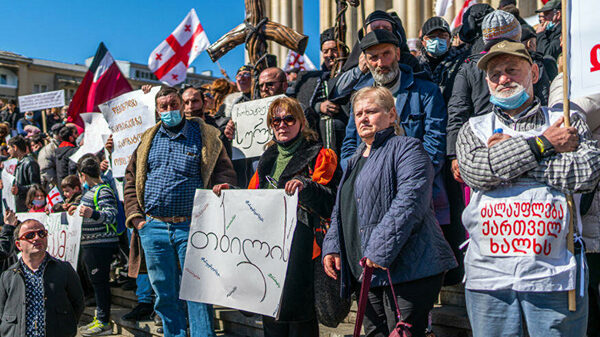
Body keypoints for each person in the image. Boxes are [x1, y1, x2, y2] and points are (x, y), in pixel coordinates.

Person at [455, 40, 600, 337]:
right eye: (495, 74)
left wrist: (507, 159)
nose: (503, 79)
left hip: (555, 278)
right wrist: (544, 145)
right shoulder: (473, 128)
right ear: (486, 81)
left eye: (512, 70)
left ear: (534, 73)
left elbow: (585, 174)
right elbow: (478, 171)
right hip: (489, 280)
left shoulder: (567, 123)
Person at [322, 87, 457, 337]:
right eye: (358, 113)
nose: (363, 118)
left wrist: (378, 249)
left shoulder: (408, 148)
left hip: (410, 270)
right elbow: (343, 208)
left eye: (371, 111)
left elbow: (410, 201)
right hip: (368, 272)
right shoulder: (353, 160)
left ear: (392, 115)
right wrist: (332, 245)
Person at [213, 96, 341, 337]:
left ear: (302, 122)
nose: (282, 124)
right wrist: (232, 194)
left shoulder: (320, 155)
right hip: (268, 251)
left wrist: (306, 186)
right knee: (272, 322)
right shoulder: (267, 158)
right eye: (276, 120)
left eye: (288, 119)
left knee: (300, 324)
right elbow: (255, 198)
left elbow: (331, 202)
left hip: (303, 252)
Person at [124, 86, 236, 337]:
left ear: (182, 106)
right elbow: (130, 179)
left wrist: (224, 186)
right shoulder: (147, 139)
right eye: (163, 106)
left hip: (192, 226)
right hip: (153, 228)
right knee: (163, 291)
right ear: (156, 109)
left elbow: (225, 171)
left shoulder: (206, 135)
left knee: (198, 288)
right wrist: (137, 219)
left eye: (173, 104)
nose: (169, 110)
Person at [340, 29, 450, 232]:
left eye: (386, 54)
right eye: (374, 57)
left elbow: (435, 145)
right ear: (365, 60)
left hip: (421, 199)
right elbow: (349, 146)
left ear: (398, 54)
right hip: (369, 202)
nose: (381, 63)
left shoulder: (426, 92)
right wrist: (363, 179)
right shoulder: (360, 97)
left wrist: (408, 182)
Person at [0, 219, 85, 337]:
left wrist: (64, 326)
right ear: (18, 245)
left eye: (42, 233)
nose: (37, 238)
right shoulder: (8, 276)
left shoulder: (64, 270)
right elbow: (2, 311)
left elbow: (78, 304)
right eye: (30, 235)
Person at [71, 154, 119, 336]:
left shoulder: (103, 190)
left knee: (100, 283)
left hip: (101, 244)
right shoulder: (88, 192)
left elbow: (111, 214)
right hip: (91, 244)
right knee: (96, 283)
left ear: (83, 174)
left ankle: (104, 322)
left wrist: (92, 213)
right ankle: (100, 318)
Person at [418, 16, 469, 104]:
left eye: (442, 36)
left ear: (450, 39)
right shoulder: (416, 66)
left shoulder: (461, 63)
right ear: (423, 41)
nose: (437, 40)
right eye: (432, 36)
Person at [9, 135, 41, 212]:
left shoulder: (29, 162)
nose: (8, 151)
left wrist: (19, 189)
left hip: (28, 208)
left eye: (9, 148)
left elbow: (36, 186)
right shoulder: (19, 163)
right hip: (20, 207)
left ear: (15, 147)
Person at [39, 123, 63, 190]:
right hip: (54, 187)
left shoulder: (66, 145)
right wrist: (57, 185)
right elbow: (46, 171)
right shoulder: (48, 150)